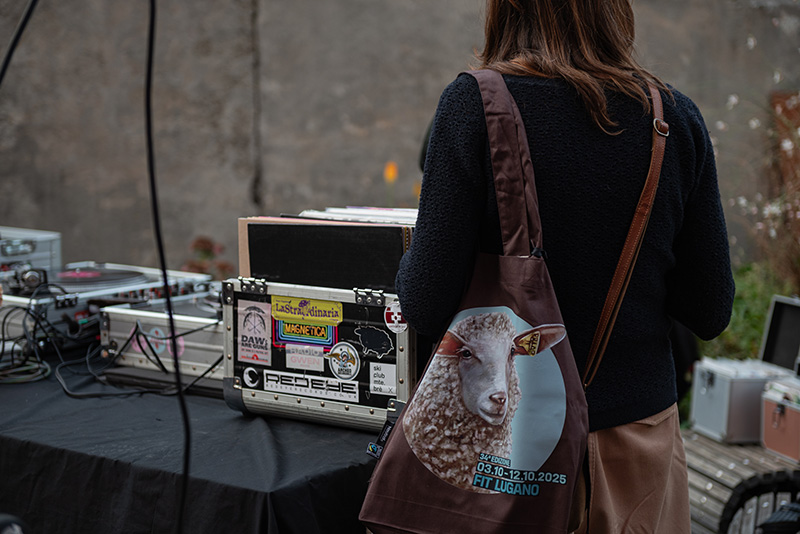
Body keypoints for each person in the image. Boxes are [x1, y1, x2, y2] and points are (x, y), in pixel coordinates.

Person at [395, 0, 735, 532]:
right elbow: (709, 310)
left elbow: (423, 301)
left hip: (506, 452)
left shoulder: (473, 106)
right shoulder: (673, 119)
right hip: (635, 446)